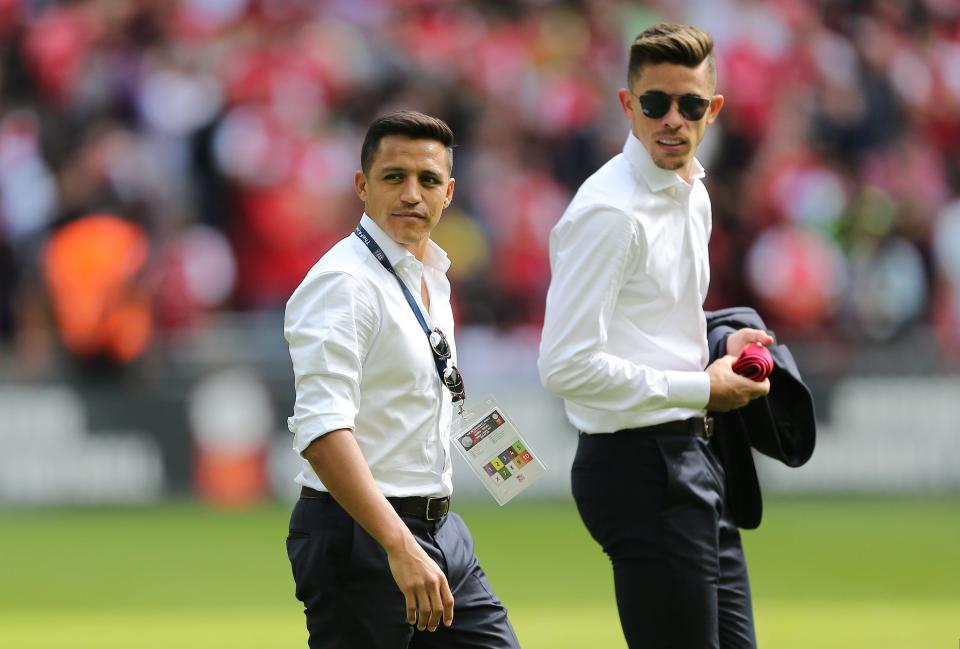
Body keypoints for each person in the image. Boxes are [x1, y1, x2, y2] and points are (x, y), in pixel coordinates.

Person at [538, 23, 772, 649]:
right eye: (655, 103)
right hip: (637, 463)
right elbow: (563, 365)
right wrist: (700, 386)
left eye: (690, 104)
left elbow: (657, 320)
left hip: (691, 453)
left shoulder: (692, 190)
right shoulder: (609, 212)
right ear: (627, 105)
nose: (673, 119)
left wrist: (716, 344)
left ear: (713, 110)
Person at [284, 111, 521, 649]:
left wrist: (514, 473)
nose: (412, 193)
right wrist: (399, 544)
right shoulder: (344, 284)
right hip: (364, 537)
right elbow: (323, 434)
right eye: (394, 177)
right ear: (362, 186)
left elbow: (447, 389)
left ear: (450, 193)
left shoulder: (430, 274)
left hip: (438, 529)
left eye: (428, 180)